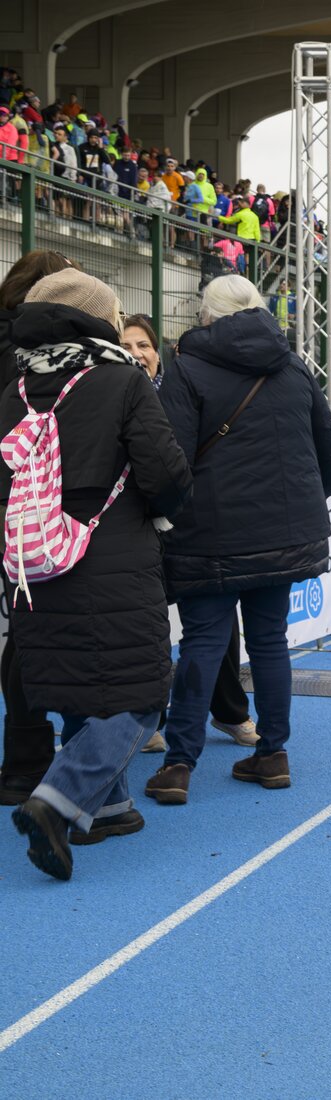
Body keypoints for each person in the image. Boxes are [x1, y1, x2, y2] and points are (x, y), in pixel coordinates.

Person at [3, 270, 192, 878]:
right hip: (113, 556)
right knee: (141, 694)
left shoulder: (16, 388)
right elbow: (166, 473)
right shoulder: (122, 380)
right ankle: (57, 801)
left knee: (79, 684)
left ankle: (109, 808)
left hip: (33, 562)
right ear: (98, 318)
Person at [146, 275, 331, 805]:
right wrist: (315, 497)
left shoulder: (187, 366)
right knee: (270, 640)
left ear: (206, 314)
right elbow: (326, 439)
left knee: (202, 642)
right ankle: (273, 753)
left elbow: (171, 454)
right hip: (283, 529)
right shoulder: (292, 365)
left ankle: (179, 764)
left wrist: (160, 513)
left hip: (207, 531)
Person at [119, 314, 262, 755]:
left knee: (217, 622)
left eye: (143, 345)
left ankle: (230, 712)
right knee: (146, 629)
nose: (135, 353)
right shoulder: (109, 393)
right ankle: (149, 719)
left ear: (157, 353)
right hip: (136, 527)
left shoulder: (181, 389)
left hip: (194, 524)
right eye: (125, 346)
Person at [0, 250, 77, 807]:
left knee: (22, 635)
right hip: (30, 506)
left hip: (12, 504)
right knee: (35, 635)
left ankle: (24, 761)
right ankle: (34, 764)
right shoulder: (33, 356)